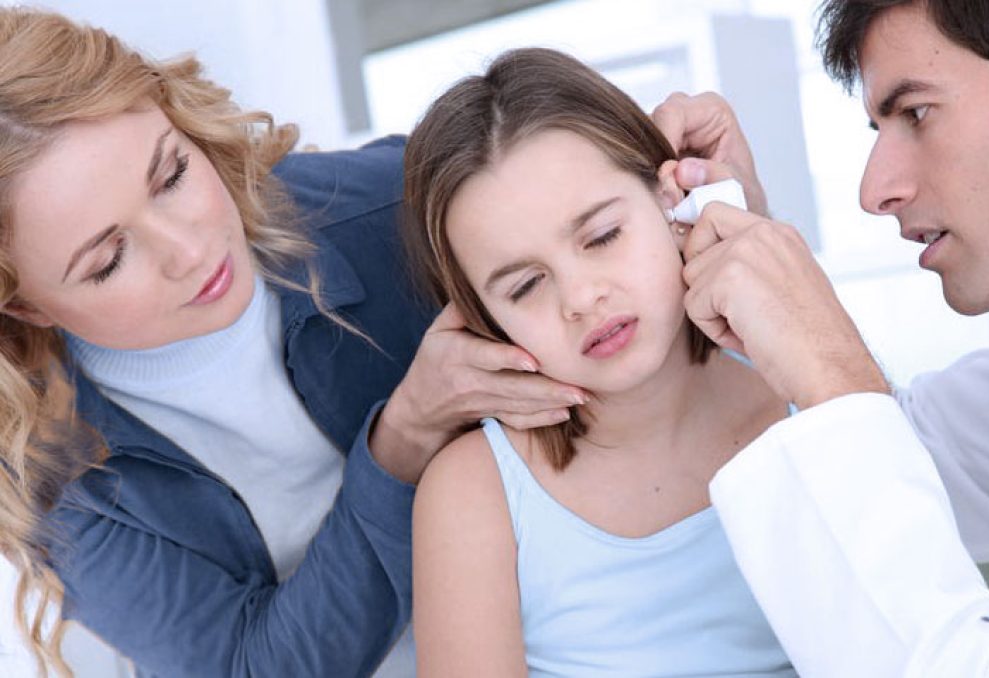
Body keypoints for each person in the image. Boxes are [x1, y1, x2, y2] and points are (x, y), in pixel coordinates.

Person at [0, 8, 588, 676]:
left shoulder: (391, 208)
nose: (189, 250)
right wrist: (403, 439)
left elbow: (609, 218)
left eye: (173, 176)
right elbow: (252, 667)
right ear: (24, 306)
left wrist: (677, 176)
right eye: (108, 261)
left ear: (180, 119)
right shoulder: (43, 467)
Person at [653, 0, 989, 675]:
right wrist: (743, 244)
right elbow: (896, 451)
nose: (874, 191)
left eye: (916, 114)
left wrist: (826, 367)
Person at [402, 48, 797, 677]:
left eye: (603, 236)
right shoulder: (475, 495)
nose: (581, 298)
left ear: (673, 199)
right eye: (525, 286)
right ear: (483, 321)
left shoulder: (811, 395)